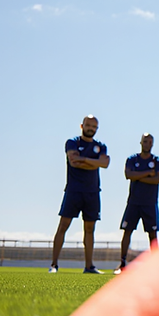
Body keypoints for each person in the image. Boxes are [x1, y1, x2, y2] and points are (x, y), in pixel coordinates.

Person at [51, 115, 110, 274]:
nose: (91, 128)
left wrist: (83, 160)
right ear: (82, 125)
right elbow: (73, 161)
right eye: (88, 125)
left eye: (94, 127)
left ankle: (89, 266)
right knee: (63, 226)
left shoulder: (101, 146)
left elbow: (105, 163)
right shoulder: (72, 142)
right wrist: (93, 162)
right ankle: (54, 265)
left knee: (90, 229)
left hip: (92, 192)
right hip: (73, 190)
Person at [114, 133, 159, 274]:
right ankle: (123, 263)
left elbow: (158, 179)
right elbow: (129, 175)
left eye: (150, 142)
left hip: (150, 203)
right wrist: (148, 173)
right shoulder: (132, 159)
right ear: (140, 142)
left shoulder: (158, 161)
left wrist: (139, 176)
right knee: (127, 231)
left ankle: (155, 264)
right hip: (133, 202)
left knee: (152, 233)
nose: (147, 144)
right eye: (145, 141)